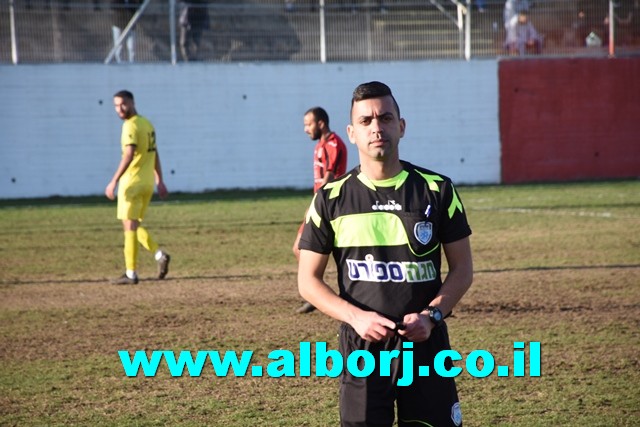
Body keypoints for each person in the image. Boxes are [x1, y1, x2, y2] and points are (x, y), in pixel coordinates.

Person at [297, 81, 473, 426]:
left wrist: (432, 317)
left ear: (401, 126)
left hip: (425, 345)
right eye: (366, 121)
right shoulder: (331, 198)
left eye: (386, 118)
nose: (376, 127)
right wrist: (355, 317)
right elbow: (308, 281)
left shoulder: (437, 190)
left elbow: (463, 269)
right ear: (351, 132)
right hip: (362, 348)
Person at [106, 90, 171, 285]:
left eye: (123, 104)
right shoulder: (147, 124)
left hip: (132, 183)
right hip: (146, 184)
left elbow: (129, 153)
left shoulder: (131, 126)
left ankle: (131, 273)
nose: (119, 109)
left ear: (132, 102)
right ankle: (159, 254)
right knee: (132, 225)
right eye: (116, 106)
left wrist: (114, 180)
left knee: (129, 227)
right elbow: (154, 152)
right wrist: (159, 179)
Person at [293, 106, 347, 314]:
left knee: (301, 248)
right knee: (300, 249)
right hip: (320, 202)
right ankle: (315, 292)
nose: (306, 129)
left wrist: (315, 203)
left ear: (321, 123)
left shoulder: (333, 143)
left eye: (309, 124)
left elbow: (330, 177)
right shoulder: (320, 145)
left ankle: (317, 293)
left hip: (329, 204)